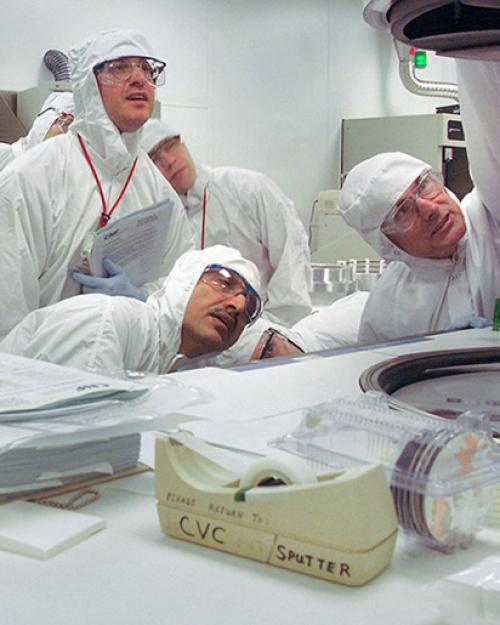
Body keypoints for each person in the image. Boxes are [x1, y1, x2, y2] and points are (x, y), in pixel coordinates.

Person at [0, 29, 193, 340]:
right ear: (91, 84)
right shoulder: (31, 178)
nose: (139, 78)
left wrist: (144, 302)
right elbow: (6, 309)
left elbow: (181, 286)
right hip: (46, 370)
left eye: (146, 68)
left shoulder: (159, 193)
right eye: (120, 67)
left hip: (132, 369)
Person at [140, 118, 312, 327]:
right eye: (155, 159)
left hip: (264, 332)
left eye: (170, 147)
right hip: (200, 343)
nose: (169, 161)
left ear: (183, 145)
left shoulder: (248, 189)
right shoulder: (161, 221)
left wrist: (277, 329)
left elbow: (290, 257)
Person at [0, 246, 261, 375]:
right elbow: (75, 448)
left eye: (249, 307)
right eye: (225, 282)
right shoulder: (106, 322)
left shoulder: (176, 364)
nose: (238, 306)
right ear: (185, 280)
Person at [338, 151, 497, 344]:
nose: (429, 209)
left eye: (423, 186)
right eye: (403, 210)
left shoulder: (491, 219)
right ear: (389, 245)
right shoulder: (387, 311)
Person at [0, 91, 75, 172]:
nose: (67, 135)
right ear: (46, 120)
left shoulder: (57, 176)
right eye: (67, 124)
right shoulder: (4, 155)